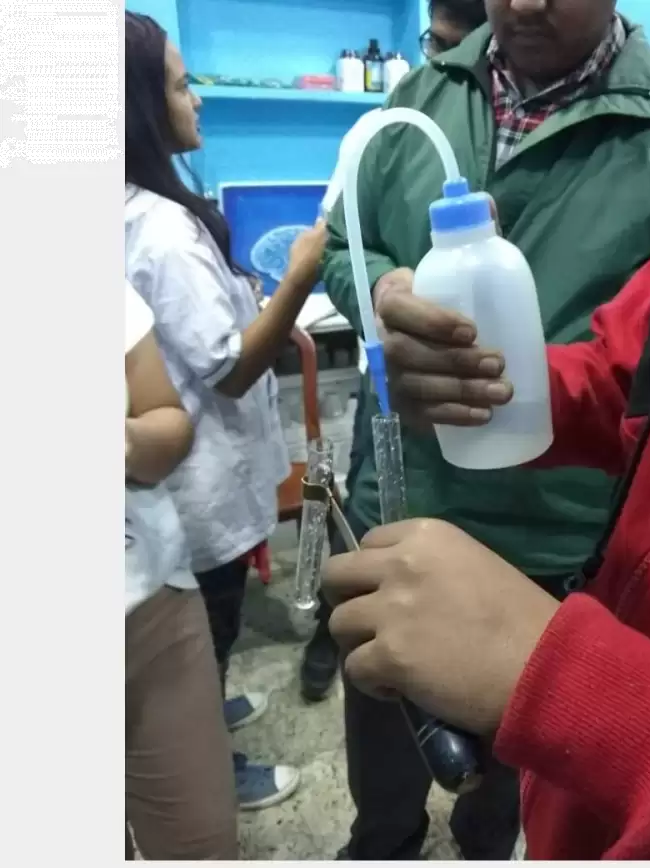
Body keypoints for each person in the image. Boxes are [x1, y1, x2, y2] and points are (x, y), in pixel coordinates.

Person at [323, 0, 650, 859]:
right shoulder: (417, 98)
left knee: (502, 793)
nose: (525, 2)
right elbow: (345, 244)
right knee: (383, 774)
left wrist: (576, 687)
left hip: (550, 546)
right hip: (405, 505)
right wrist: (384, 293)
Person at [123, 11, 327, 811]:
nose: (198, 99)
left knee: (209, 624)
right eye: (182, 87)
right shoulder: (164, 231)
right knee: (209, 624)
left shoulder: (141, 209)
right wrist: (300, 278)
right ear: (144, 107)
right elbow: (232, 368)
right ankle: (212, 765)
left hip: (183, 485)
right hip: (199, 484)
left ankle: (207, 707)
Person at [300, 0, 489, 703]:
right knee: (369, 530)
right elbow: (339, 243)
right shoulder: (392, 120)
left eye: (458, 44)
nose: (446, 61)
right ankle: (330, 637)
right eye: (436, 44)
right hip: (391, 389)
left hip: (516, 460)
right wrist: (381, 291)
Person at [125, 281, 238, 859]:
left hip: (149, 599)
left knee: (203, 839)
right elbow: (230, 367)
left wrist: (123, 440)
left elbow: (166, 420)